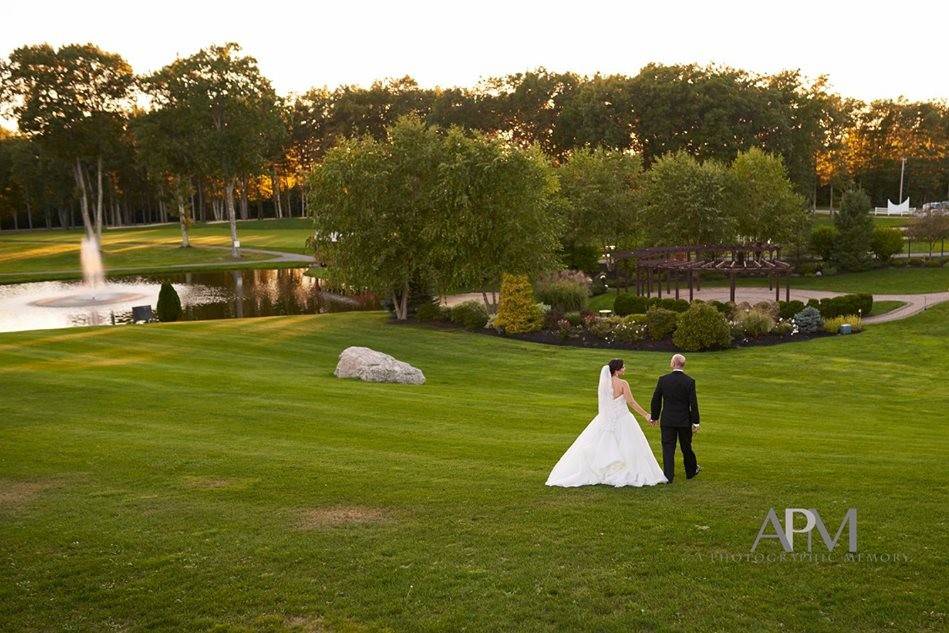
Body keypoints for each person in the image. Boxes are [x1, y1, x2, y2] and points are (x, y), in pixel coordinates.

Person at [546, 359, 667, 487]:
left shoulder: (604, 384)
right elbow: (631, 402)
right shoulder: (623, 383)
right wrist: (646, 415)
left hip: (607, 419)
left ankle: (604, 471)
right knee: (630, 444)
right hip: (623, 418)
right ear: (617, 370)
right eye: (623, 367)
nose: (625, 368)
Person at [650, 353, 701, 482]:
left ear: (672, 364)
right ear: (683, 365)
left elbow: (656, 399)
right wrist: (696, 422)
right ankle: (690, 472)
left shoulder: (663, 380)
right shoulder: (689, 381)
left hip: (668, 420)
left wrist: (654, 417)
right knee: (686, 447)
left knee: (668, 448)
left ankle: (668, 476)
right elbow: (693, 403)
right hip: (684, 420)